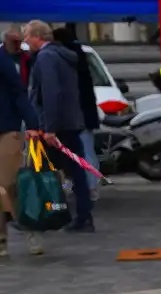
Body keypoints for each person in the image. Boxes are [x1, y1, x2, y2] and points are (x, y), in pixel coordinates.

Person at [24, 20, 94, 233]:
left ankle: (51, 214)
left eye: (27, 36)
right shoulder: (62, 55)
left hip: (56, 127)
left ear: (37, 36)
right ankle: (77, 214)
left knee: (45, 171)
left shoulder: (46, 58)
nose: (25, 40)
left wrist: (49, 128)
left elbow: (51, 94)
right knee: (71, 172)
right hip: (69, 123)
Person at [0, 38, 41, 258]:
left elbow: (18, 92)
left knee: (10, 184)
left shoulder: (2, 60)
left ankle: (29, 228)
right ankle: (1, 240)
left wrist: (33, 124)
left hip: (6, 128)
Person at [52, 26, 101, 203]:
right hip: (84, 116)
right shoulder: (79, 58)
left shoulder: (61, 61)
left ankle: (74, 190)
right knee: (87, 154)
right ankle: (90, 188)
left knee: (67, 160)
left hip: (70, 118)